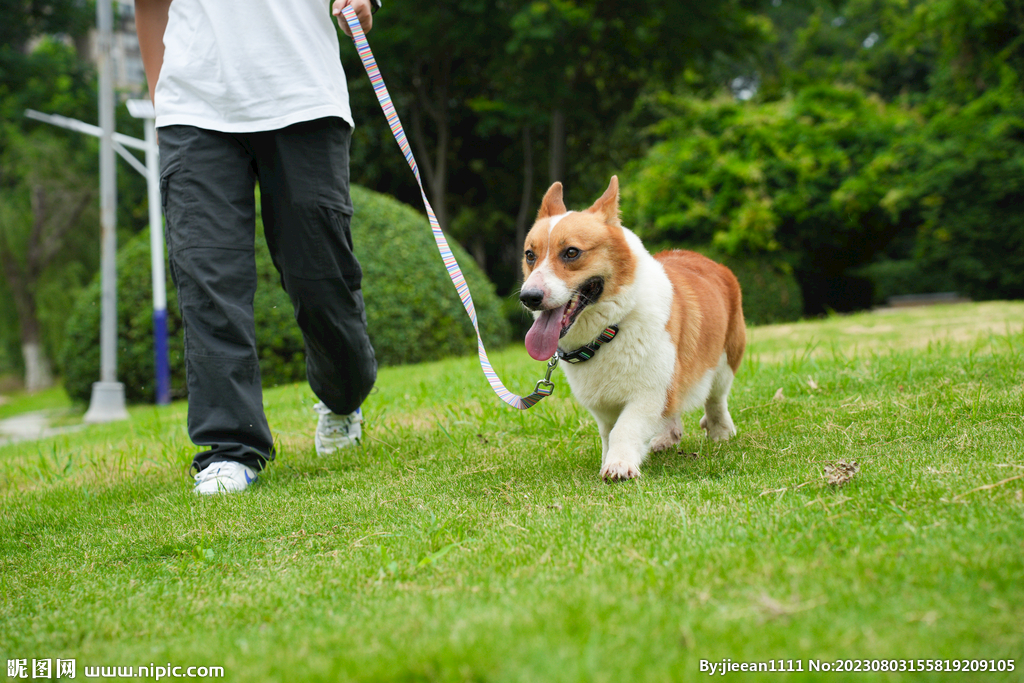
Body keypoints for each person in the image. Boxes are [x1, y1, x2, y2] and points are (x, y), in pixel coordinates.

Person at [134, 0, 381, 494]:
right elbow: (150, 6)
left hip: (304, 97)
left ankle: (342, 396)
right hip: (194, 109)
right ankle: (229, 446)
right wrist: (165, 103)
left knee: (321, 279)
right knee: (207, 276)